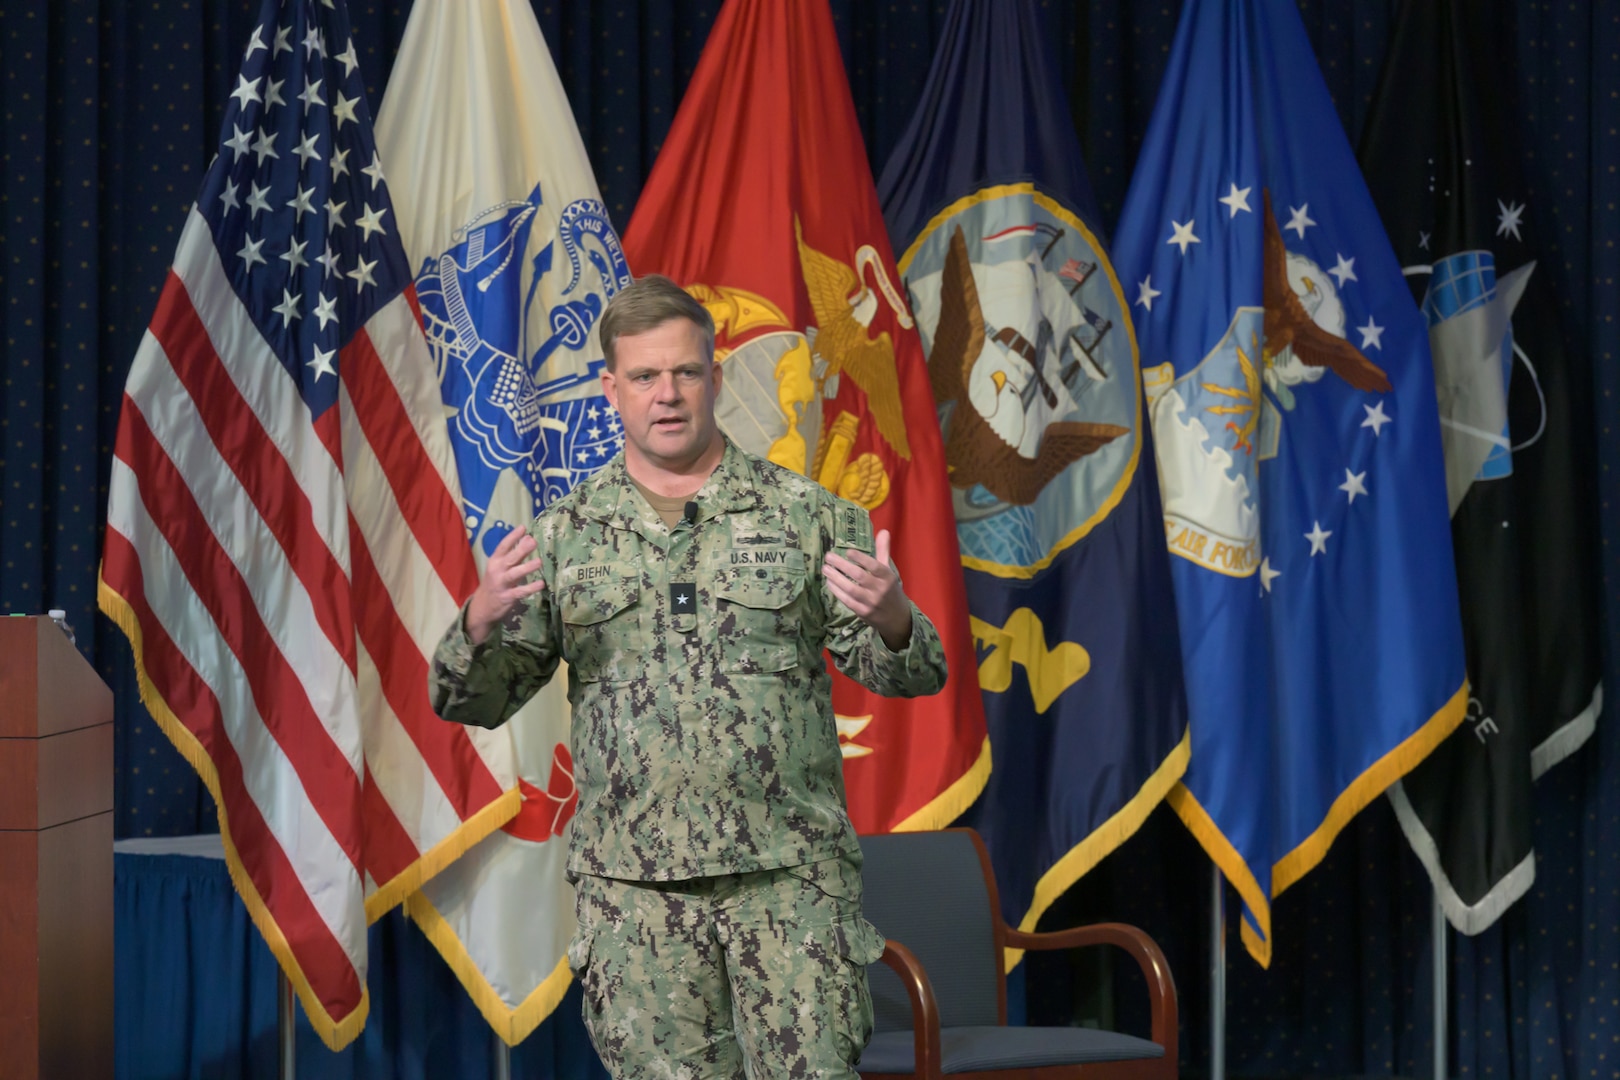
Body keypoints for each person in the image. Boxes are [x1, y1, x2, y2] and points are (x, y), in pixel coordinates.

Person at [428, 274, 948, 1077]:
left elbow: (910, 675)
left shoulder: (810, 517)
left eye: (685, 373)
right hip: (637, 895)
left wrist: (892, 619)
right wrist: (478, 620)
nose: (665, 396)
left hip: (789, 882)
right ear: (611, 388)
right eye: (643, 377)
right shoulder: (563, 537)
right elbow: (473, 700)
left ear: (713, 374)